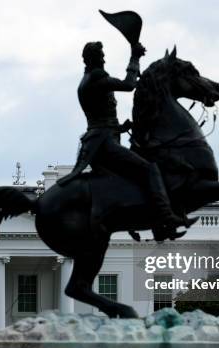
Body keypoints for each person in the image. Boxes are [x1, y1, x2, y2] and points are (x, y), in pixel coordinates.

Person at [58, 41, 195, 240]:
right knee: (150, 169)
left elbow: (99, 118)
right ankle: (167, 216)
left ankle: (155, 224)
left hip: (100, 139)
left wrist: (121, 127)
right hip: (104, 144)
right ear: (94, 59)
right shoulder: (96, 77)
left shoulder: (86, 80)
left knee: (132, 176)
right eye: (101, 56)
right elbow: (129, 84)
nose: (104, 59)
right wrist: (135, 57)